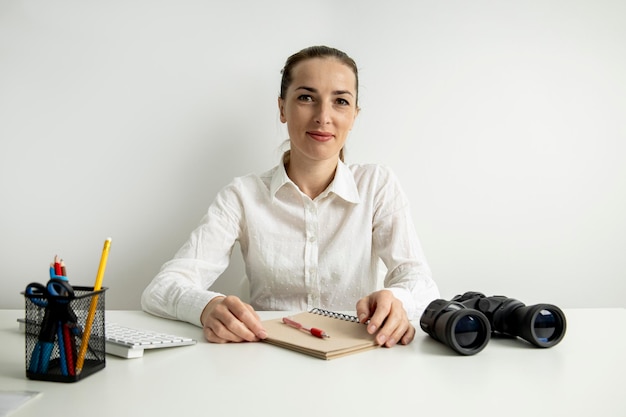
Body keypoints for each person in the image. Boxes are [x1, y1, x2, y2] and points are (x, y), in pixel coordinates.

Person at [141, 45, 439, 348]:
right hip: (266, 358)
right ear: (282, 108)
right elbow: (162, 288)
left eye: (340, 101)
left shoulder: (377, 184)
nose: (323, 116)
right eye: (306, 98)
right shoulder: (242, 195)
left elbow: (422, 285)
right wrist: (206, 307)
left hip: (355, 363)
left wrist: (397, 300)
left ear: (354, 115)